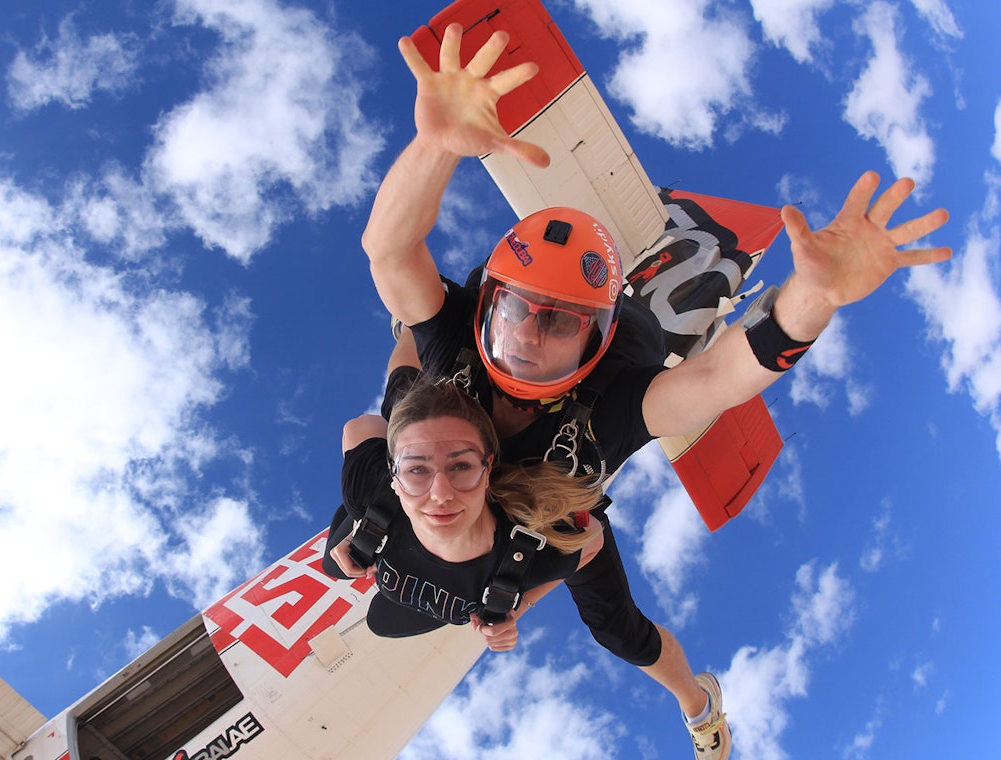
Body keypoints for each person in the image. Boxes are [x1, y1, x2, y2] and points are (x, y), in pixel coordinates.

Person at [360, 22, 953, 760]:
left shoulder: (611, 405)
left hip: (560, 522)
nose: (530, 336)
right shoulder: (454, 337)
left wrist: (812, 299)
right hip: (496, 499)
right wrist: (435, 146)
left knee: (619, 630)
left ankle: (698, 703)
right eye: (517, 310)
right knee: (401, 381)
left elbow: (718, 379)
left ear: (595, 345)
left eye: (560, 323)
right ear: (487, 305)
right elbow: (389, 250)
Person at [321, 375, 605, 653]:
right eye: (417, 469)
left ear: (487, 469)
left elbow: (593, 539)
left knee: (377, 617)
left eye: (461, 467)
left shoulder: (526, 559)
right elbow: (360, 426)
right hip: (396, 524)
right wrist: (363, 525)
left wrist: (515, 605)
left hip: (449, 586)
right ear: (393, 475)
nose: (441, 494)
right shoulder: (366, 492)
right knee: (333, 565)